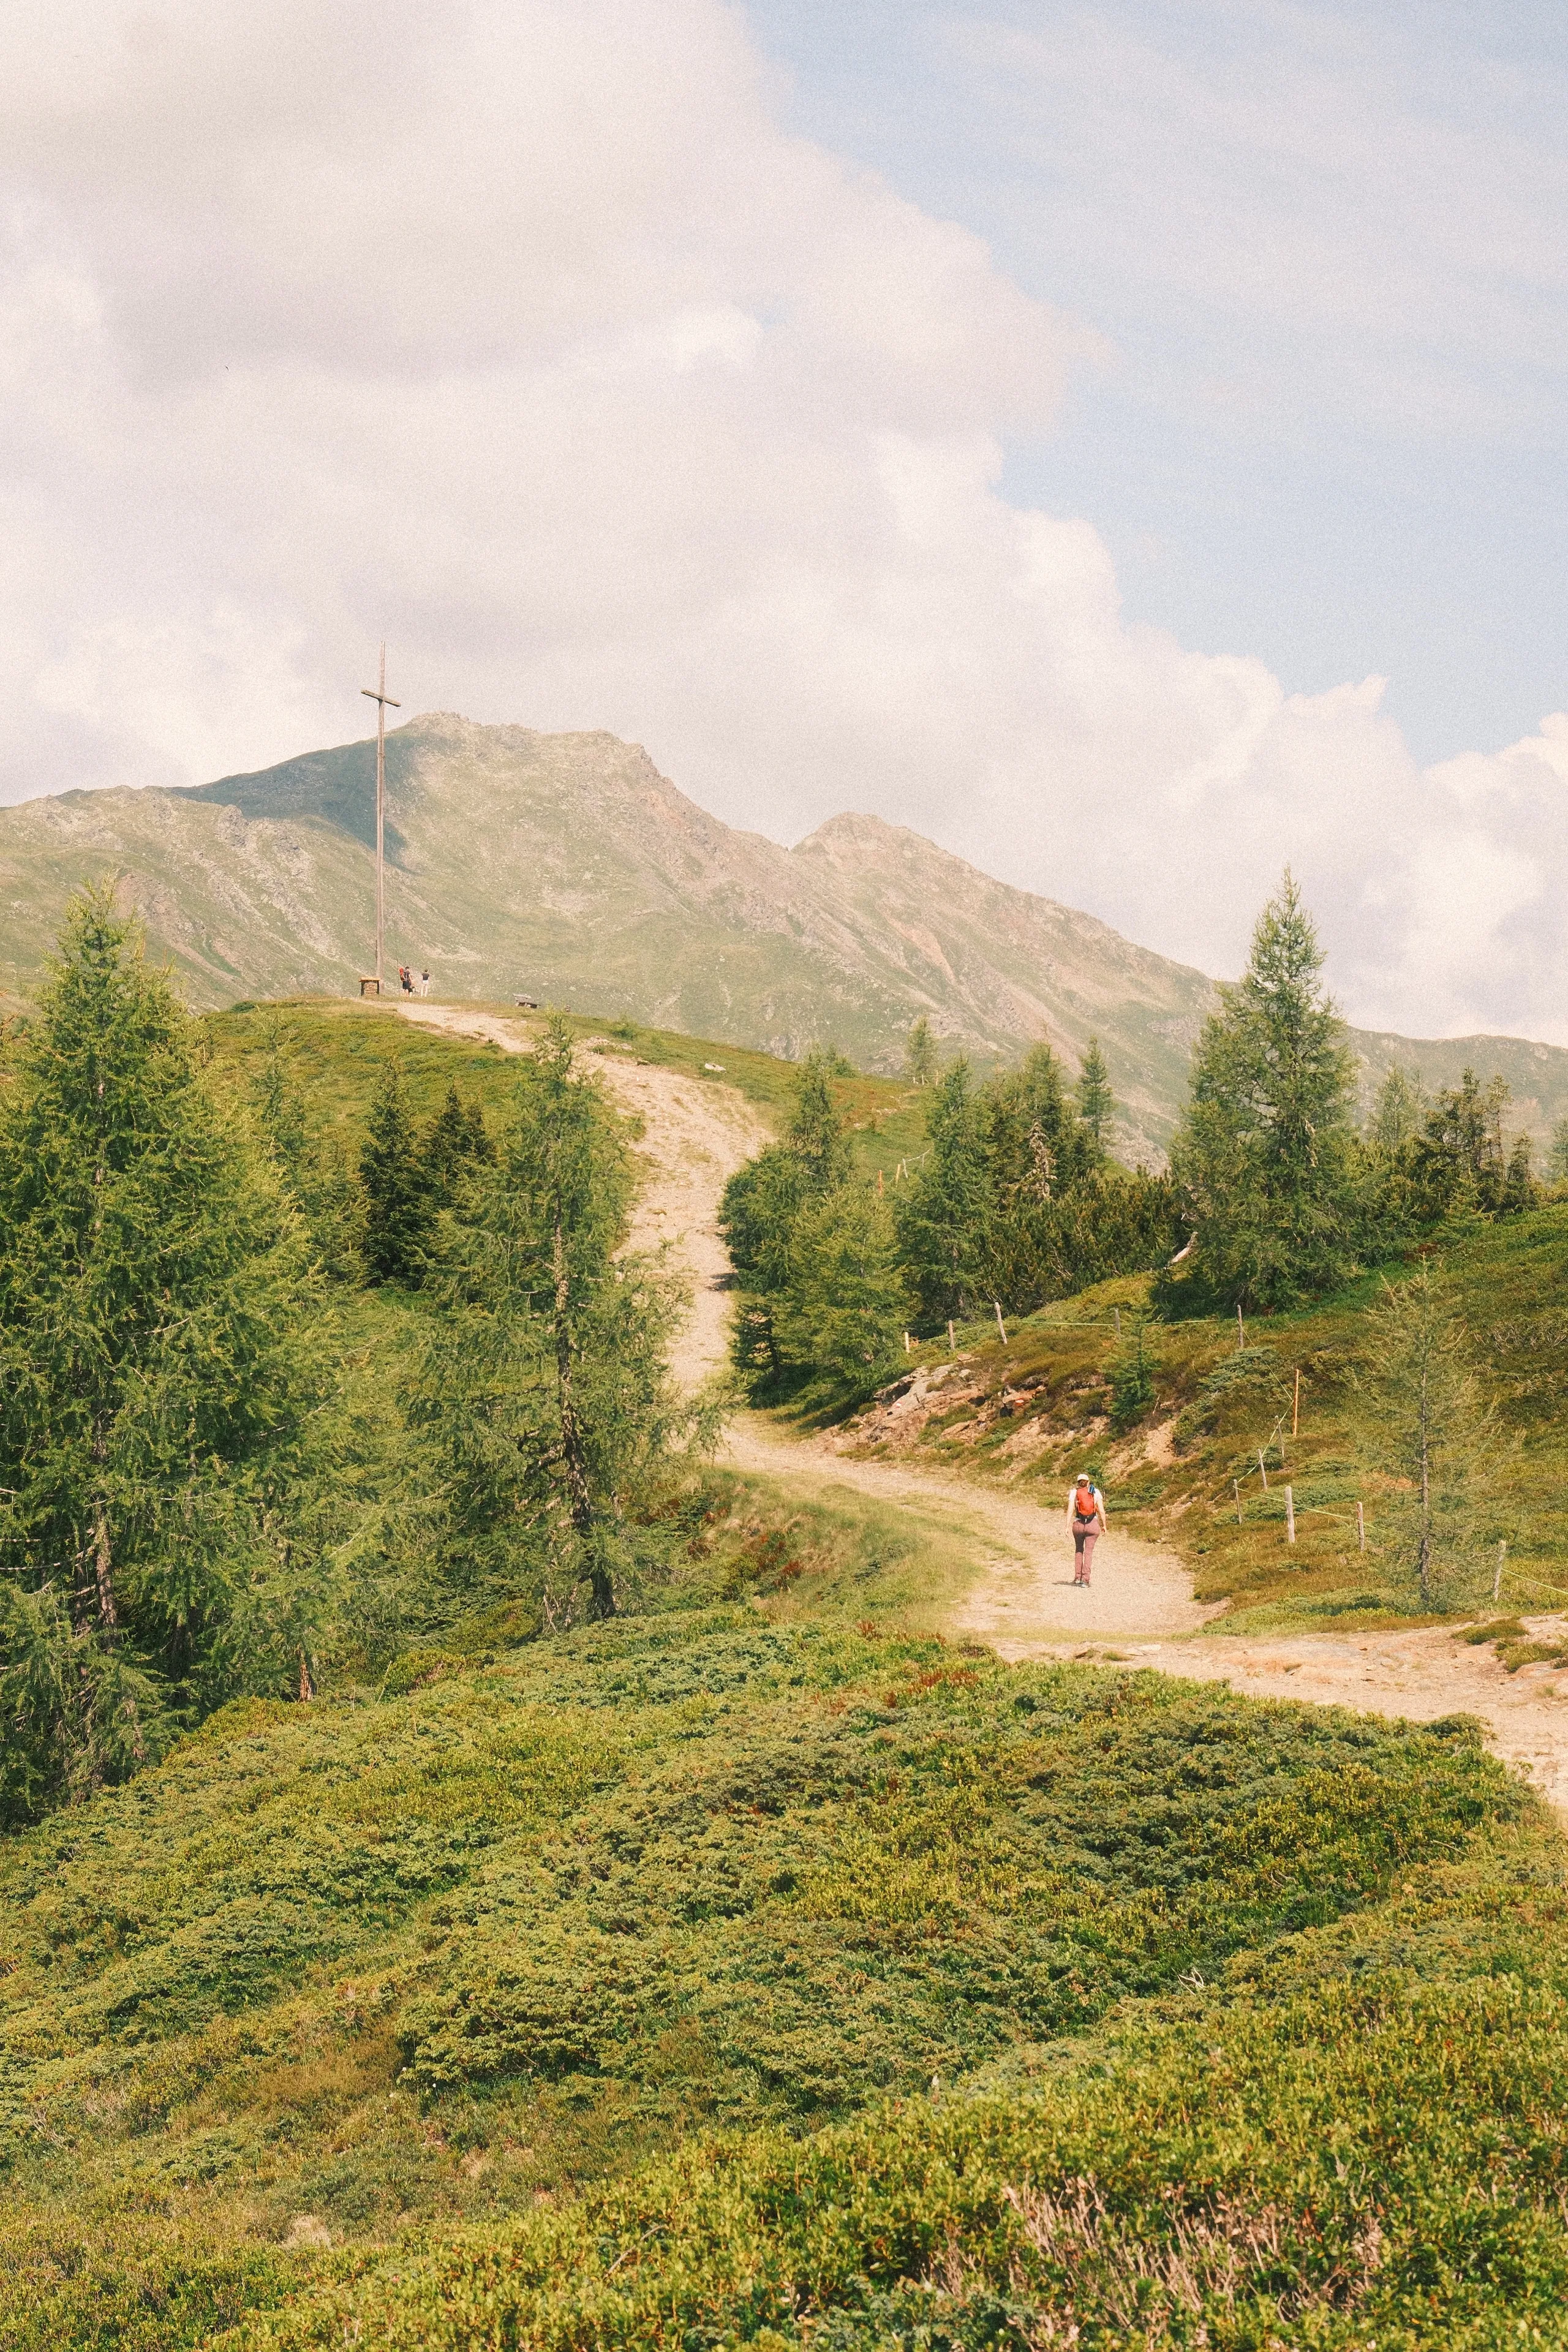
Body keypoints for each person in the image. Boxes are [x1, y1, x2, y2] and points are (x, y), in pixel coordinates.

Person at [1066, 1471, 1106, 1586]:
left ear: (1078, 1483)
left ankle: (1078, 1578)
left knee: (1079, 1550)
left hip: (1078, 1524)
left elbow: (1070, 1510)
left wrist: (1067, 1526)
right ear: (1088, 1482)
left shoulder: (1074, 1493)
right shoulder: (1095, 1492)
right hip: (1093, 1524)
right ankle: (1085, 1580)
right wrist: (1104, 1525)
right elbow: (1101, 1511)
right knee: (1088, 1552)